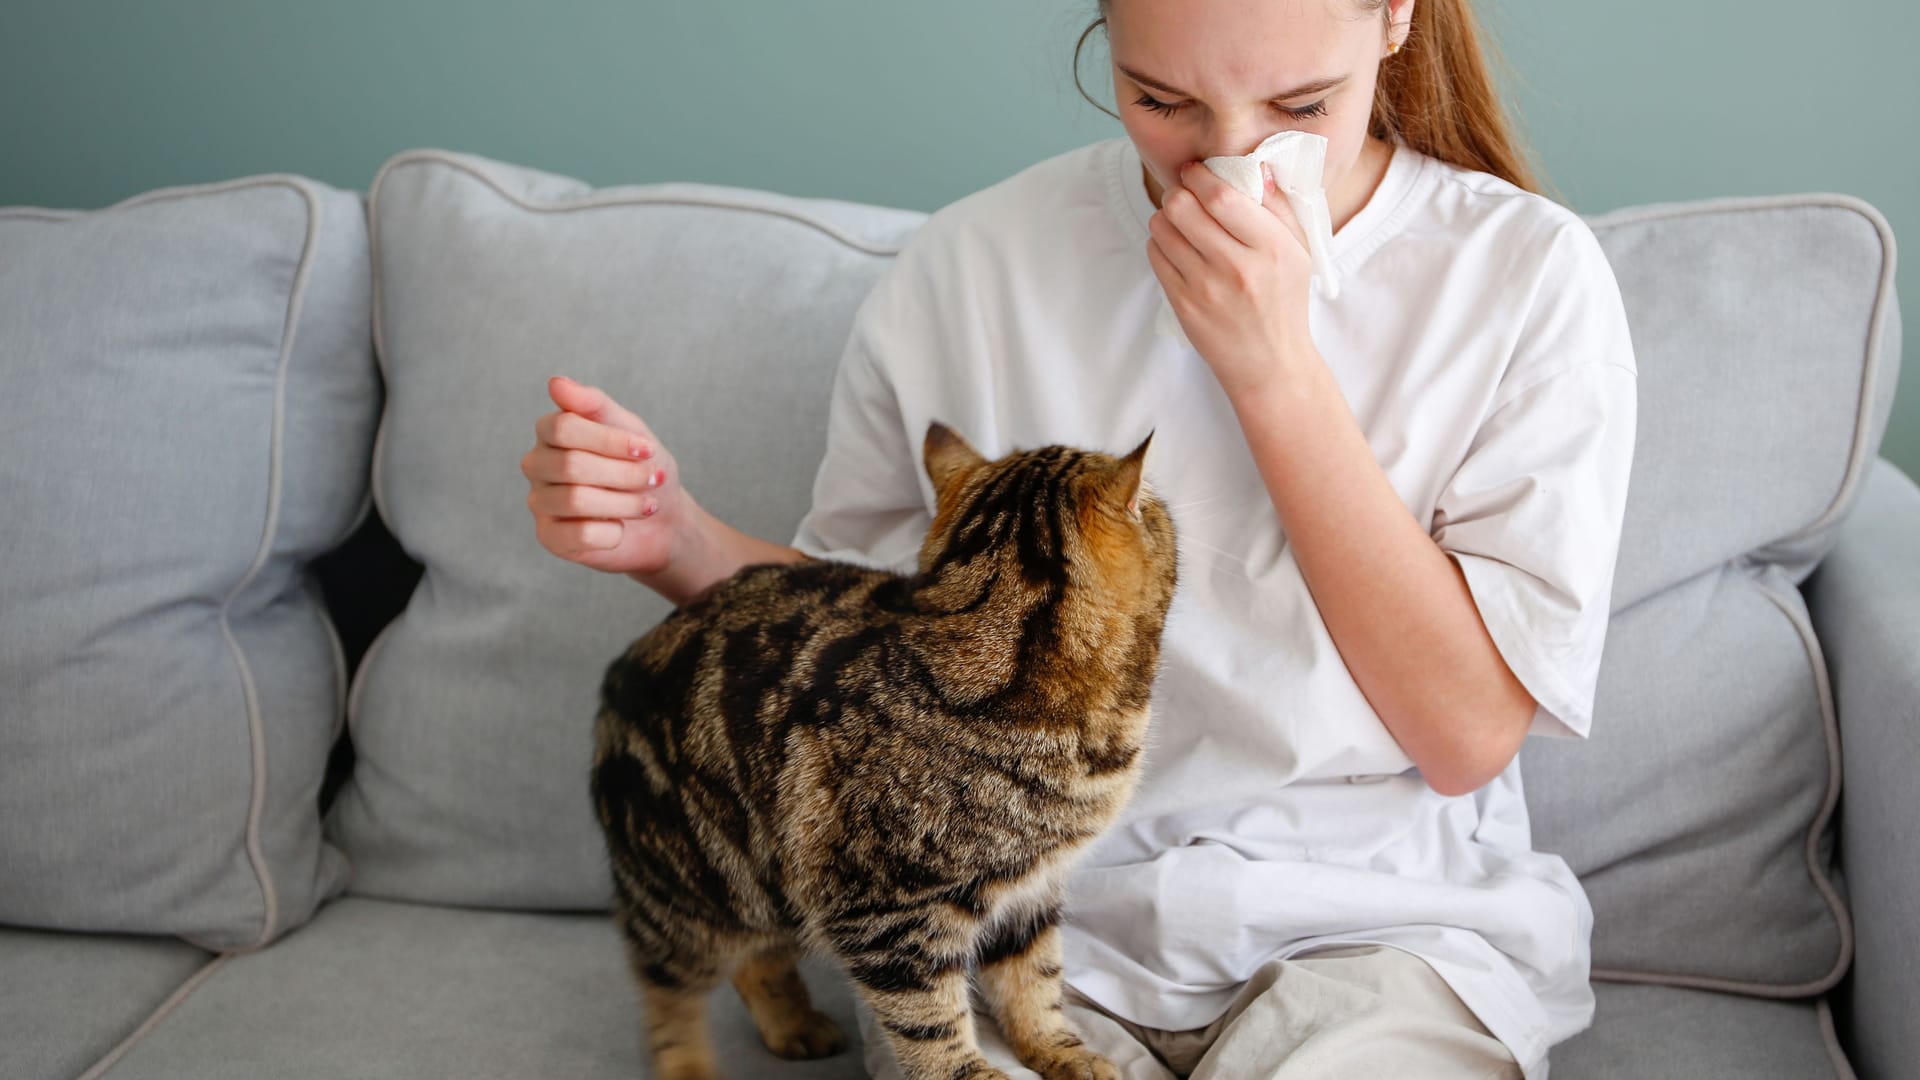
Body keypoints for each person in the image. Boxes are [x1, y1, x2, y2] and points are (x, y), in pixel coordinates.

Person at [520, 0, 1638, 1075]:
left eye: (1302, 106)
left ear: (1396, 15)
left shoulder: (1524, 277)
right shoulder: (971, 267)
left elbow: (1466, 737)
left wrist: (1274, 370)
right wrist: (674, 537)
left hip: (1383, 935)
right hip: (1027, 922)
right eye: (1162, 99)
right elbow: (874, 651)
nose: (1225, 162)